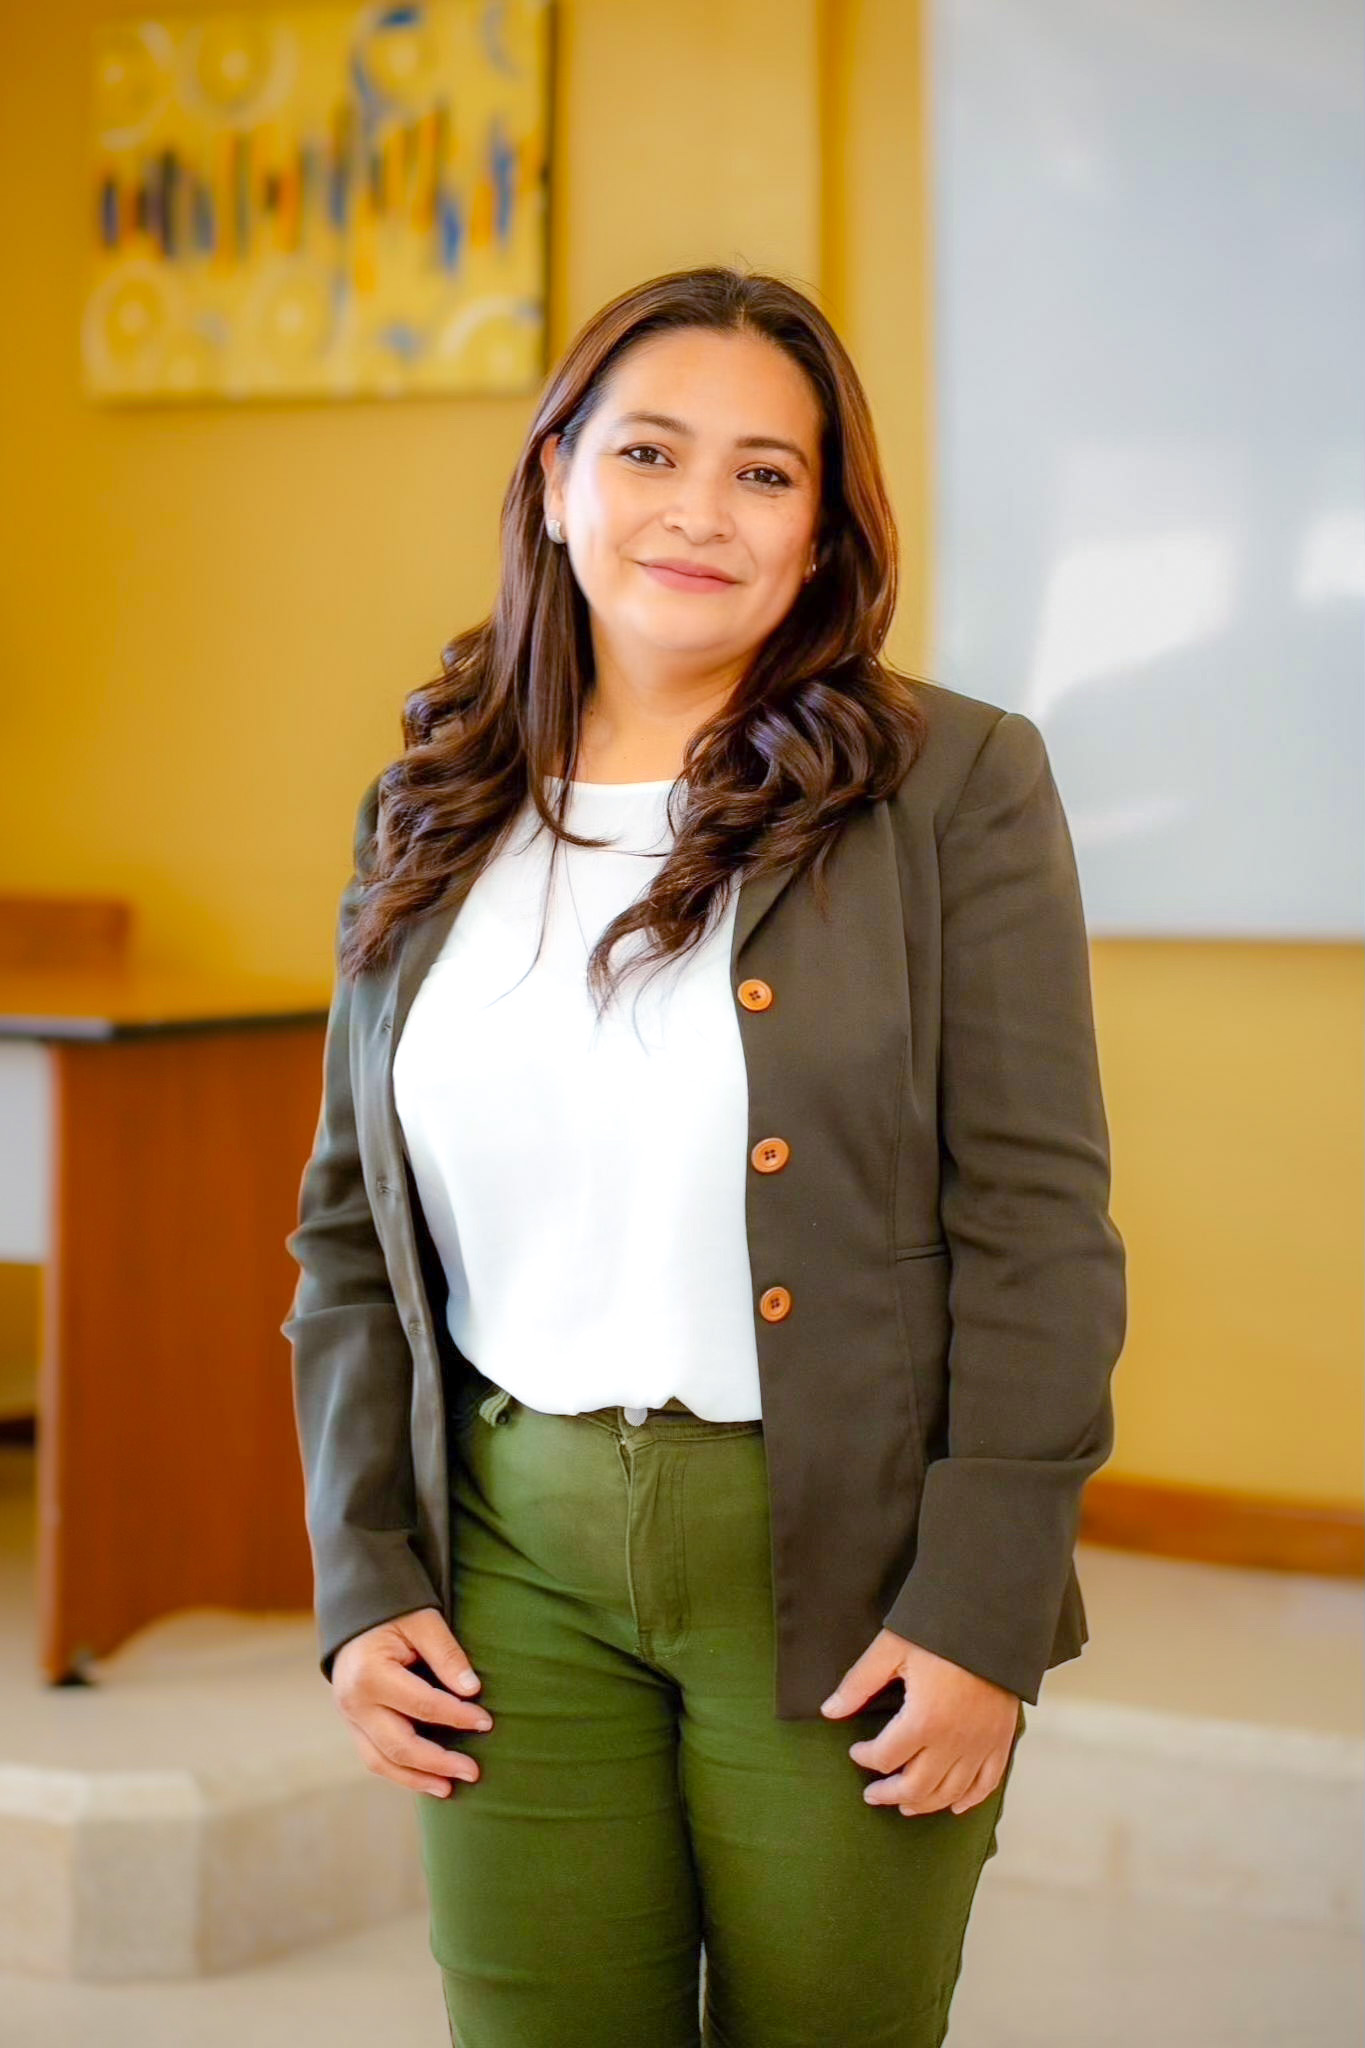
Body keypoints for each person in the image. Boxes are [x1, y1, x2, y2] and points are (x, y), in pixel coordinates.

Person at [282, 263, 1126, 2048]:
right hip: (503, 1560)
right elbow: (351, 1232)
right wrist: (362, 1575)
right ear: (553, 478)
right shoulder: (426, 800)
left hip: (846, 1563)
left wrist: (981, 1605)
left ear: (821, 530)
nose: (698, 511)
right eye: (649, 451)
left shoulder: (952, 784)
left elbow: (1036, 1226)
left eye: (764, 472)